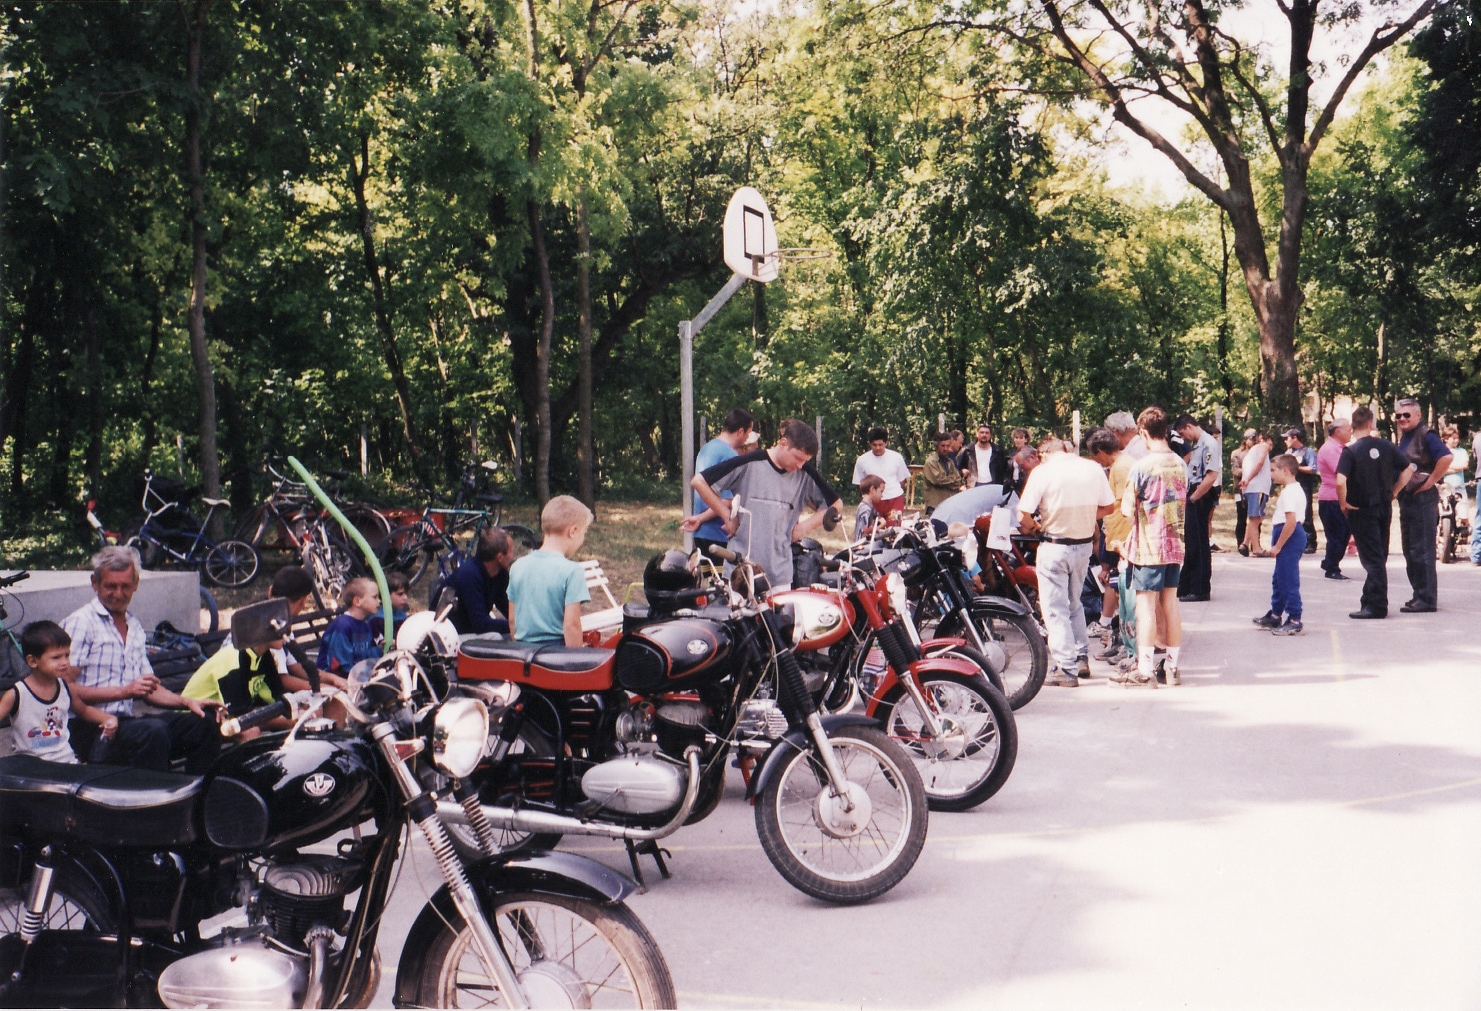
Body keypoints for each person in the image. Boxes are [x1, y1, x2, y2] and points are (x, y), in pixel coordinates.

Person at [61, 546, 222, 772]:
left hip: (124, 726)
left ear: (136, 584)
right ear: (94, 583)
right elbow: (62, 689)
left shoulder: (134, 626)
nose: (118, 593)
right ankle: (155, 803)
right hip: (87, 728)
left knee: (204, 723)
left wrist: (187, 702)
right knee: (152, 731)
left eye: (125, 586)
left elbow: (149, 688)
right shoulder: (82, 623)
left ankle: (197, 798)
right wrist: (124, 691)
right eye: (110, 586)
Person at [692, 418, 842, 589]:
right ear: (783, 443)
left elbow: (836, 505)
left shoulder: (804, 474)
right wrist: (727, 516)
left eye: (805, 461)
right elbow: (699, 481)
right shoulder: (749, 462)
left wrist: (803, 528)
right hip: (741, 573)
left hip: (779, 576)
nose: (801, 465)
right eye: (798, 458)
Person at [1017, 435, 1115, 688]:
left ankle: (1066, 667)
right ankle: (1081, 656)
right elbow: (1108, 506)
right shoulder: (1092, 468)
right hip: (1083, 546)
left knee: (1054, 608)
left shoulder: (1043, 471)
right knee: (1075, 603)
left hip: (1054, 544)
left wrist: (1036, 527)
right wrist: (1083, 515)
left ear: (1043, 453)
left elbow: (1022, 514)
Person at [1117, 405, 1189, 688]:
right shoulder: (1180, 463)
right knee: (1170, 604)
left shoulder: (1141, 466)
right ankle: (1172, 667)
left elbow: (1126, 510)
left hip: (1149, 546)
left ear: (1144, 432)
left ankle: (1144, 669)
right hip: (1176, 544)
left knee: (1145, 606)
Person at [1336, 405, 1416, 619]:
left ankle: (1377, 605)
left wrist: (1343, 502)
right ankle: (1369, 599)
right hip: (1383, 506)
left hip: (1361, 508)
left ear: (1353, 426)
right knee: (1379, 555)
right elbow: (1409, 468)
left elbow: (1340, 480)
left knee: (1372, 559)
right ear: (1371, 423)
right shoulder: (1387, 446)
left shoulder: (1350, 451)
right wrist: (1395, 491)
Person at [1, 621, 116, 763]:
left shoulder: (64, 687)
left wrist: (108, 719)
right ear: (32, 661)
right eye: (56, 657)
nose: (64, 662)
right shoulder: (17, 694)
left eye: (67, 655)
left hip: (66, 762)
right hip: (31, 767)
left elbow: (84, 710)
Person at [183, 599, 294, 738]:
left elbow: (275, 697)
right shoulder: (234, 659)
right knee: (250, 731)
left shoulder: (265, 656)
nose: (287, 632)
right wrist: (291, 720)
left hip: (223, 714)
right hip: (195, 716)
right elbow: (239, 712)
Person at [508, 495, 594, 647]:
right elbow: (571, 625)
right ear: (573, 531)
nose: (583, 538)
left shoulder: (517, 567)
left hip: (522, 653)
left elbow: (512, 620)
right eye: (583, 532)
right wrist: (576, 663)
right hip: (555, 654)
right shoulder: (572, 571)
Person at [1393, 397, 1451, 612]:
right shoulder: (1406, 436)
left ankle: (1427, 599)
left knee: (1422, 549)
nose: (1402, 419)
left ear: (1418, 415)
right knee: (1410, 549)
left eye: (1406, 415)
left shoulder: (1427, 434)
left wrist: (1430, 482)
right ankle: (1418, 594)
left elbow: (1446, 457)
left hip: (1422, 498)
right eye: (1398, 415)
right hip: (1408, 497)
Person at [1087, 427, 1136, 667]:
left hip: (1123, 539)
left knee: (1124, 596)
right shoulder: (1122, 464)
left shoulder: (1120, 467)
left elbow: (1123, 505)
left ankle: (1129, 648)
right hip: (1118, 538)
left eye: (1096, 457)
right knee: (1119, 593)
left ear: (1100, 452)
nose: (1097, 462)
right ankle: (1122, 641)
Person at [683, 408, 755, 553]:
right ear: (740, 431)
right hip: (719, 533)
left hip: (701, 534)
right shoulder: (730, 456)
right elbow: (726, 500)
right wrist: (700, 519)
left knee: (707, 575)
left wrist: (698, 519)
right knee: (724, 576)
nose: (748, 438)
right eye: (748, 433)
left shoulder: (706, 449)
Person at [1253, 455, 1308, 635]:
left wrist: (1278, 545)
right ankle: (1275, 615)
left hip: (1289, 536)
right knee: (1279, 578)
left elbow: (1291, 522)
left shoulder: (1290, 492)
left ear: (1285, 470)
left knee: (1288, 579)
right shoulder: (1292, 490)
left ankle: (1294, 618)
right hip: (1287, 533)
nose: (1271, 474)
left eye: (1273, 470)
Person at [1173, 414, 1221, 602]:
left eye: (1182, 432)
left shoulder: (1208, 444)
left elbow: (1211, 475)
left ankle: (1200, 588)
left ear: (1188, 426)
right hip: (1193, 493)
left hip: (1200, 495)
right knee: (1192, 543)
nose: (1182, 437)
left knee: (1199, 544)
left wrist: (1193, 498)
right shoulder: (1199, 444)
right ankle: (1187, 585)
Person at [446, 527, 515, 636]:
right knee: (495, 637)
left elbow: (505, 605)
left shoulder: (499, 574)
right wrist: (514, 625)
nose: (512, 556)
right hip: (453, 635)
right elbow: (480, 624)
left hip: (472, 630)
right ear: (500, 557)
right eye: (511, 552)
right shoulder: (469, 575)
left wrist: (523, 622)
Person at [848, 427, 912, 526]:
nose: (877, 448)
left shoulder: (897, 457)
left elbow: (902, 480)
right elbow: (860, 484)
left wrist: (891, 493)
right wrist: (870, 498)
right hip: (874, 502)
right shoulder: (862, 460)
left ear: (886, 443)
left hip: (894, 500)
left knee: (894, 530)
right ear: (870, 444)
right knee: (875, 531)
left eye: (880, 444)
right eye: (874, 445)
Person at [317, 578, 382, 673]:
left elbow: (367, 656)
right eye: (374, 597)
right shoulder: (342, 626)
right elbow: (341, 662)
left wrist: (379, 649)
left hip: (356, 674)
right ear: (357, 601)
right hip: (333, 676)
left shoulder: (365, 625)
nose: (379, 601)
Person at [1316, 418, 1353, 581]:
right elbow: (1343, 472)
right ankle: (1332, 567)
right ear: (1338, 431)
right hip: (1332, 498)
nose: (1351, 432)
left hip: (1336, 497)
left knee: (1342, 532)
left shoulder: (1339, 448)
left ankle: (1329, 561)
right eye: (1348, 429)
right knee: (1338, 534)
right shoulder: (1331, 449)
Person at [1282, 428, 1320, 553]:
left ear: (1295, 438)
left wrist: (1297, 467)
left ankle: (1310, 542)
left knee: (1306, 513)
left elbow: (1313, 468)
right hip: (1291, 487)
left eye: (1287, 438)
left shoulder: (1307, 451)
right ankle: (1296, 540)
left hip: (1304, 486)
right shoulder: (1288, 453)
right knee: (1292, 513)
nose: (1285, 441)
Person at [1238, 430, 1272, 557]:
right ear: (1262, 440)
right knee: (1255, 518)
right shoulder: (1262, 447)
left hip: (1252, 488)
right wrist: (1248, 479)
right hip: (1257, 488)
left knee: (1256, 518)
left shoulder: (1249, 453)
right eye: (1270, 443)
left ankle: (1245, 544)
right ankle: (1257, 548)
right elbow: (1259, 463)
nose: (1270, 447)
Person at [920, 431, 963, 511]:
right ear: (937, 446)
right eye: (942, 446)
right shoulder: (931, 462)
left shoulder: (949, 461)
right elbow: (939, 481)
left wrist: (949, 480)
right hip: (935, 506)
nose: (945, 449)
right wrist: (952, 479)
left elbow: (958, 480)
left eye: (947, 446)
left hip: (948, 504)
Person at [958, 423, 1010, 489]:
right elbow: (957, 468)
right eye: (981, 432)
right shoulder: (967, 450)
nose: (984, 435)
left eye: (987, 433)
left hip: (993, 484)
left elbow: (1006, 469)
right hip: (973, 485)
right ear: (977, 434)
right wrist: (962, 481)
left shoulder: (998, 451)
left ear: (990, 435)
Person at [369, 571, 410, 643]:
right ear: (386, 595)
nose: (405, 597)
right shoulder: (376, 620)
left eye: (406, 593)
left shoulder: (402, 616)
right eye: (400, 594)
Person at [1231, 429, 1256, 546]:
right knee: (1241, 518)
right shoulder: (1237, 453)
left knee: (1255, 518)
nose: (1254, 442)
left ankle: (1255, 543)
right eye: (1252, 439)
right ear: (1246, 440)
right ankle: (1240, 543)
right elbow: (1235, 470)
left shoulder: (1259, 453)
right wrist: (1251, 471)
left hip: (1255, 489)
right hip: (1240, 490)